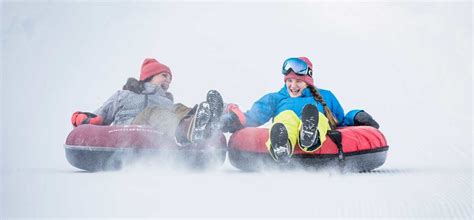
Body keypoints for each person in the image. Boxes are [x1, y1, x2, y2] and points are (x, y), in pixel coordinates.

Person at [221, 57, 379, 163]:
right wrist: (234, 119)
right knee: (287, 117)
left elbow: (341, 121)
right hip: (287, 126)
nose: (293, 86)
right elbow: (252, 118)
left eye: (298, 81)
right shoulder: (275, 98)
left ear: (308, 82)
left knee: (317, 116)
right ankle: (282, 146)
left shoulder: (325, 96)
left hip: (316, 128)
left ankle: (309, 135)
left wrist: (357, 116)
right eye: (289, 81)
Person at [71, 58, 224, 145]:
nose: (168, 81)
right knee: (153, 111)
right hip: (126, 131)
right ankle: (189, 129)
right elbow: (100, 116)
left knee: (177, 108)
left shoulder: (166, 102)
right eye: (164, 76)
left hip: (156, 136)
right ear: (149, 76)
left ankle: (203, 123)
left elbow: (174, 113)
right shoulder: (123, 95)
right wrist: (83, 118)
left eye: (170, 79)